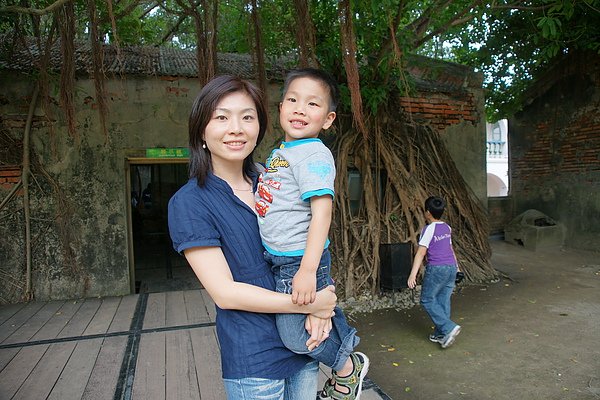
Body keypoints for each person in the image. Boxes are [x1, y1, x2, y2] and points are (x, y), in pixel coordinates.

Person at [168, 75, 337, 400]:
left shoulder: (271, 176)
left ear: (259, 124)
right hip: (254, 357)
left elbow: (307, 237)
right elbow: (226, 293)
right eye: (221, 117)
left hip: (302, 345)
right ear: (201, 130)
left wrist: (317, 303)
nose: (236, 128)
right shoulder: (190, 203)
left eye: (247, 116)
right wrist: (311, 302)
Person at [255, 68, 369, 400]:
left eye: (312, 104)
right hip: (277, 258)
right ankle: (332, 331)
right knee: (305, 327)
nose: (300, 109)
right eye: (292, 100)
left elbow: (322, 212)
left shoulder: (315, 154)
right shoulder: (281, 153)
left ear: (329, 118)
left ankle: (348, 367)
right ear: (280, 108)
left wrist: (307, 270)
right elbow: (267, 186)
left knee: (295, 337)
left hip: (298, 261)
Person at [407, 196, 462, 349]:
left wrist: (413, 274)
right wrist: (457, 268)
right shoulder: (447, 228)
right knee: (443, 299)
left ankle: (448, 327)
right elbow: (450, 249)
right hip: (451, 267)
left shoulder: (429, 229)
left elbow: (420, 253)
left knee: (427, 299)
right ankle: (440, 334)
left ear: (428, 212)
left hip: (437, 268)